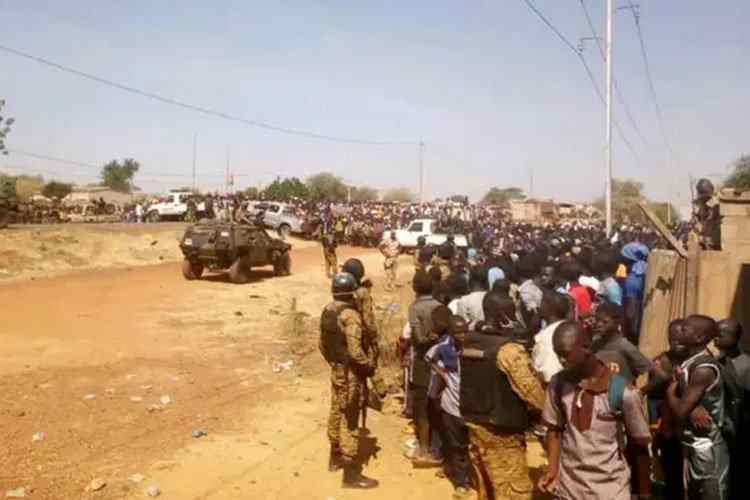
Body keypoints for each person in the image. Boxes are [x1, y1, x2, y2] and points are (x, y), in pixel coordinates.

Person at [540, 321, 652, 500]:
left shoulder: (623, 392)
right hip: (568, 488)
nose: (561, 361)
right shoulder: (558, 385)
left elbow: (639, 446)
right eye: (557, 354)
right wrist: (552, 470)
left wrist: (645, 494)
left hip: (610, 489)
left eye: (566, 354)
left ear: (586, 348)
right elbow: (555, 430)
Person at [462, 291, 545, 500]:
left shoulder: (469, 341)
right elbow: (533, 394)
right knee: (514, 491)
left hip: (475, 426)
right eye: (511, 313)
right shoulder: (509, 351)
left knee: (486, 489)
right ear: (503, 315)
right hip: (503, 433)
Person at [318, 272, 378, 488]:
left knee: (336, 410)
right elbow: (355, 350)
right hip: (351, 373)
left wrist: (335, 363)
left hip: (337, 370)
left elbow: (322, 345)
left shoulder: (328, 310)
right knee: (350, 417)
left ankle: (334, 458)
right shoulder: (350, 315)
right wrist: (368, 367)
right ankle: (351, 473)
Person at [667, 315, 730, 500]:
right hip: (693, 446)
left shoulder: (703, 368)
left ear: (699, 338)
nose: (679, 331)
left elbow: (680, 411)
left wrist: (670, 391)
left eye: (685, 329)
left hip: (708, 450)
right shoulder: (689, 363)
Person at [426, 315, 472, 499]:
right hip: (451, 406)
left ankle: (465, 475)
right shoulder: (444, 350)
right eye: (457, 332)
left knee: (468, 446)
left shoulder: (473, 350)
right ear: (451, 334)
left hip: (470, 408)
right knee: (456, 445)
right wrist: (443, 375)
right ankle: (462, 483)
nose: (462, 335)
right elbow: (428, 358)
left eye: (464, 331)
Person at [408, 270, 442, 466]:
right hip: (439, 362)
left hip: (422, 362)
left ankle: (423, 450)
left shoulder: (415, 308)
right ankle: (437, 447)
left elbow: (419, 338)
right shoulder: (440, 307)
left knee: (422, 408)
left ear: (414, 288)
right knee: (436, 405)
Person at [343, 258, 388, 398]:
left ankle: (371, 391)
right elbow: (368, 318)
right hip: (361, 332)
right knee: (370, 360)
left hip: (347, 332)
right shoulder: (362, 292)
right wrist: (374, 338)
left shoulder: (343, 290)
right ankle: (380, 390)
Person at [714, 318, 747, 500]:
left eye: (722, 334)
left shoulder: (746, 365)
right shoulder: (714, 362)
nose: (716, 338)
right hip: (722, 428)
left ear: (736, 336)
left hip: (740, 429)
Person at [592, 303, 653, 382]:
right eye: (597, 320)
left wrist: (641, 391)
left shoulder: (625, 346)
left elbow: (651, 370)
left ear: (617, 323)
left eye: (604, 322)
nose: (599, 324)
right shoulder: (595, 344)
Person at [532, 291, 569, 384]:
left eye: (541, 303)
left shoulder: (547, 338)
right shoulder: (566, 328)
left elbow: (549, 376)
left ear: (550, 308)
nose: (538, 306)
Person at [621, 242, 649, 344]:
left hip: (637, 330)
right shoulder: (650, 270)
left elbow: (630, 313)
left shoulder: (633, 279)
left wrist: (627, 334)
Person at [691, 178, 722, 250]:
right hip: (706, 239)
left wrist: (703, 238)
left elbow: (714, 226)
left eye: (702, 193)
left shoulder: (715, 206)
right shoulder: (702, 205)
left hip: (714, 242)